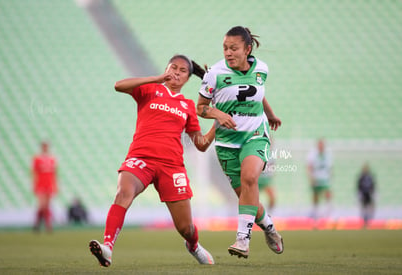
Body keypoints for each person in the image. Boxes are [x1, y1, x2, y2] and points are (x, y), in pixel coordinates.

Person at [89, 55, 215, 267]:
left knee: (186, 228)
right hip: (141, 158)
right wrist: (156, 78)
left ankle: (193, 245)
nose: (176, 72)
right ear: (166, 69)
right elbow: (118, 85)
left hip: (172, 166)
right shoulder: (150, 89)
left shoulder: (187, 105)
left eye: (182, 70)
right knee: (123, 193)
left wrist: (217, 125)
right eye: (173, 67)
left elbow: (200, 144)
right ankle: (107, 247)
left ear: (187, 78)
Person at [196, 26, 284, 259]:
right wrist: (218, 114)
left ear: (247, 49)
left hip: (255, 134)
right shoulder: (214, 73)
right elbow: (201, 108)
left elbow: (258, 92)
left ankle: (242, 240)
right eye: (225, 48)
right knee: (248, 198)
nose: (228, 52)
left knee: (250, 178)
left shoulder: (262, 68)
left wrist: (271, 114)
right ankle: (270, 228)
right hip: (226, 143)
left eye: (233, 48)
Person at [32, 141, 58, 233]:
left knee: (47, 206)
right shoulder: (37, 158)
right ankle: (38, 224)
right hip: (40, 184)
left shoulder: (52, 158)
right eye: (44, 146)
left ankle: (47, 225)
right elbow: (34, 172)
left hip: (49, 184)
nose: (45, 148)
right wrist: (34, 185)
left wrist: (55, 185)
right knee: (41, 205)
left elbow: (55, 173)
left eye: (46, 146)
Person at [307, 138, 333, 219]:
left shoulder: (328, 154)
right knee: (316, 196)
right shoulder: (313, 154)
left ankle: (328, 213)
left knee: (328, 194)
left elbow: (330, 167)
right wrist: (311, 177)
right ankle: (315, 213)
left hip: (325, 178)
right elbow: (309, 166)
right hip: (316, 178)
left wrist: (330, 176)